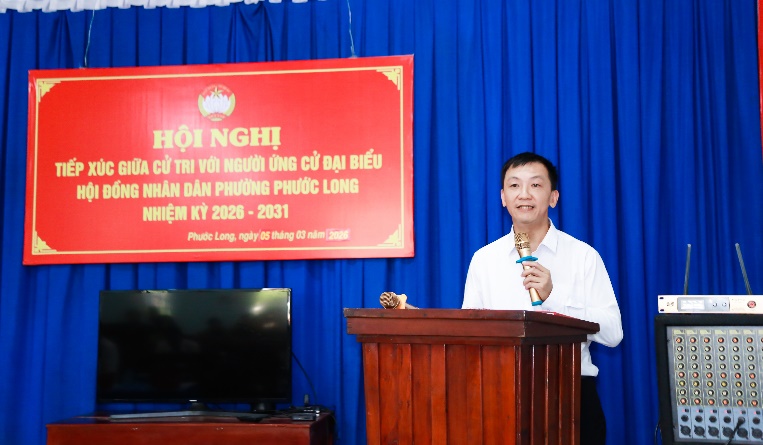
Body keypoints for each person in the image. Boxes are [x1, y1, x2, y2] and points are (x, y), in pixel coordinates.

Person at [462, 151, 623, 445]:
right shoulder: (484, 260)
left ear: (553, 197)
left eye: (535, 185)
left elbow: (613, 333)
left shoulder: (583, 256)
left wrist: (555, 296)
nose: (524, 194)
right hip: (500, 396)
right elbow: (470, 337)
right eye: (514, 185)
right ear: (502, 197)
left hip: (571, 397)